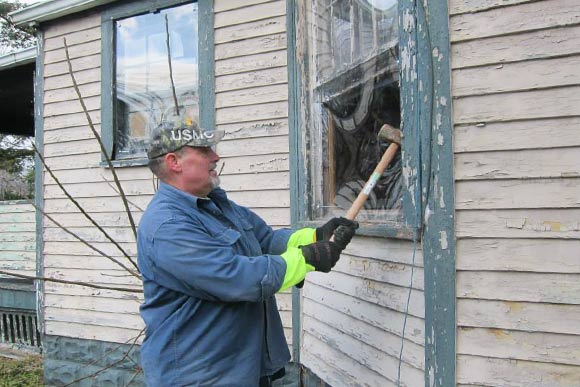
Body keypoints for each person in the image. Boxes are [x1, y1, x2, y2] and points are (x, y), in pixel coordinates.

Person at [137, 120, 359, 387]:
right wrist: (308, 257)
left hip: (242, 367)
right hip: (198, 375)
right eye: (204, 150)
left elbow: (265, 241)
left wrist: (315, 237)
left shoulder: (216, 205)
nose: (215, 156)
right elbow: (235, 278)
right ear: (174, 162)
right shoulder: (167, 225)